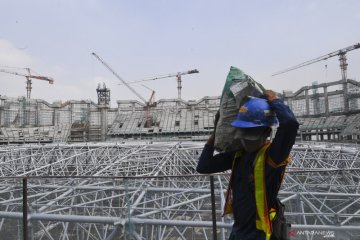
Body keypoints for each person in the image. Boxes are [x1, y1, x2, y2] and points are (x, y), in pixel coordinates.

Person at [197, 90, 299, 240]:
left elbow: (290, 124)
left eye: (250, 131)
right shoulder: (239, 154)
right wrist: (215, 133)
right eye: (244, 130)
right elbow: (204, 166)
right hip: (238, 231)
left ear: (266, 131)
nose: (245, 136)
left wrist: (274, 100)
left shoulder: (273, 155)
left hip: (260, 234)